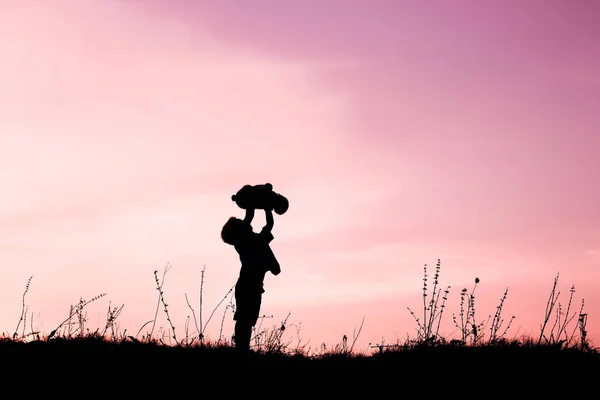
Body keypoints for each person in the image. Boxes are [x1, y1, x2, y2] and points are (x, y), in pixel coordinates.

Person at [220, 207, 281, 352]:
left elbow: (269, 225)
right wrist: (253, 204)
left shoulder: (255, 239)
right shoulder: (242, 242)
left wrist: (267, 209)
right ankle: (241, 349)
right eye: (241, 223)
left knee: (247, 319)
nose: (244, 222)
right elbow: (250, 217)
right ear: (238, 232)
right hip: (248, 286)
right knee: (244, 320)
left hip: (253, 287)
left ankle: (242, 348)